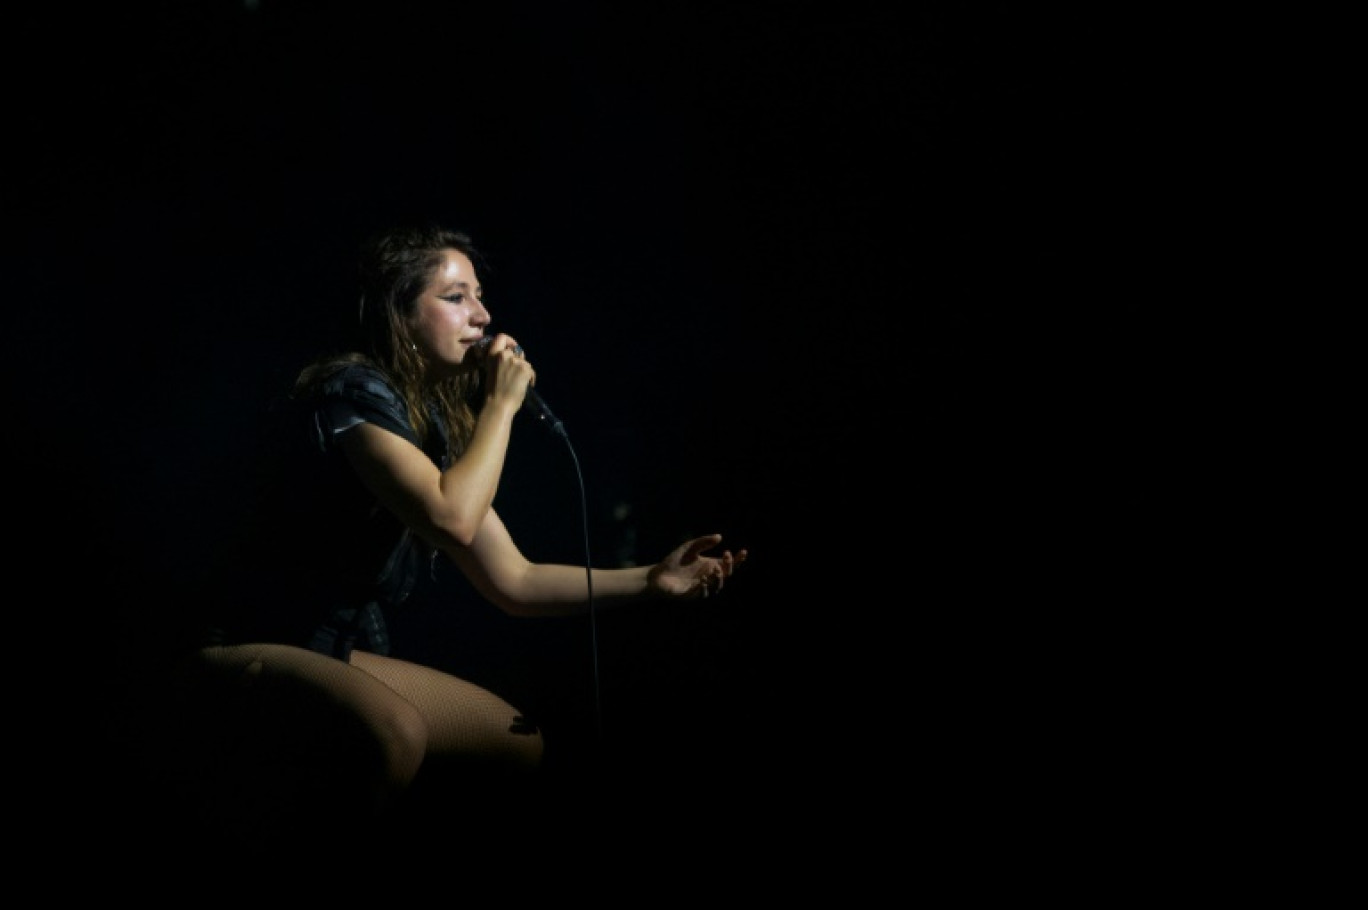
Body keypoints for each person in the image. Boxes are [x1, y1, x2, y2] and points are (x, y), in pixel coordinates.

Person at [118, 222, 747, 847]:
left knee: (513, 740)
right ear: (400, 315)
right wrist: (500, 408)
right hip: (243, 638)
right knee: (394, 733)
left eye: (478, 294)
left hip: (328, 646)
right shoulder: (352, 395)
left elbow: (515, 580)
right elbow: (452, 517)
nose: (483, 315)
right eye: (455, 297)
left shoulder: (433, 431)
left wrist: (654, 581)